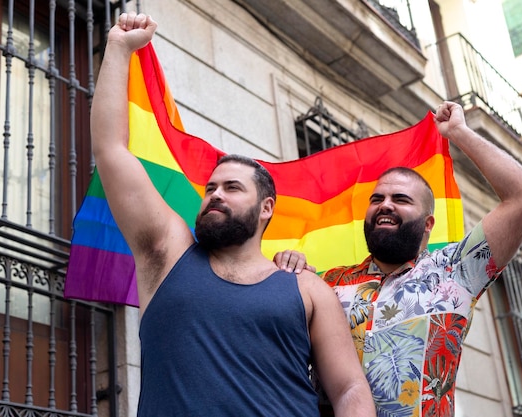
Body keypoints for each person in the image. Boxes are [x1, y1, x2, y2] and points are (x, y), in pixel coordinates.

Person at [91, 12, 376, 417]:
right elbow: (111, 150)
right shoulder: (165, 253)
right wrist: (118, 49)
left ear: (266, 209)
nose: (215, 196)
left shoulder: (309, 289)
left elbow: (348, 388)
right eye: (210, 189)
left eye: (232, 188)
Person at [274, 101, 522, 416]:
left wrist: (458, 132)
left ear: (428, 224)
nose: (385, 205)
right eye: (377, 199)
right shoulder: (325, 282)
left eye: (400, 199)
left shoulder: (456, 272)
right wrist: (287, 265)